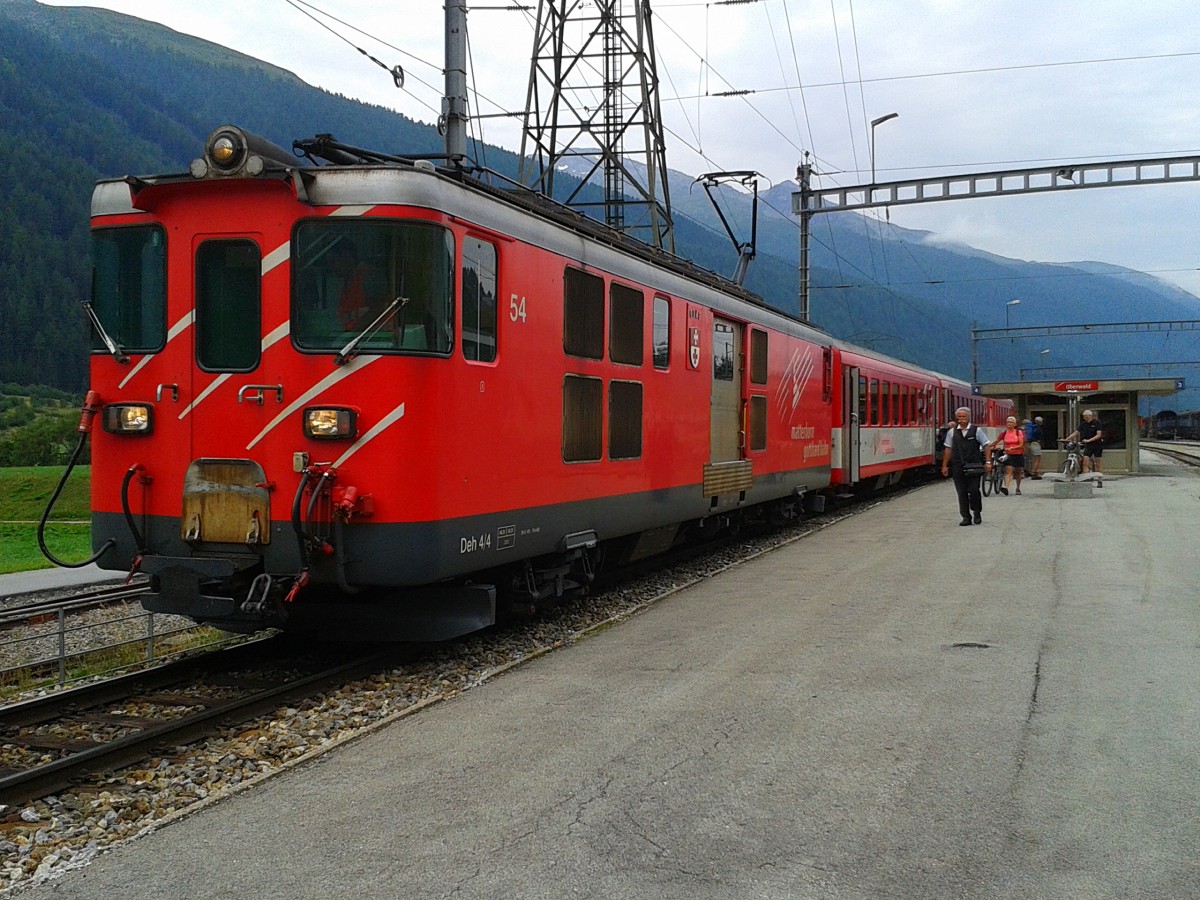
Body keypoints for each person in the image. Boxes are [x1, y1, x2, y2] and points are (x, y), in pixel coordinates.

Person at [940, 406, 992, 526]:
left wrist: (988, 462)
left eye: (964, 416)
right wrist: (944, 465)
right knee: (961, 491)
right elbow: (948, 448)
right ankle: (965, 516)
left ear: (968, 417)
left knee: (974, 490)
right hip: (958, 465)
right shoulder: (952, 432)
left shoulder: (976, 431)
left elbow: (986, 445)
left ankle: (977, 511)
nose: (961, 419)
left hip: (974, 464)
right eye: (959, 417)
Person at [989, 415, 1026, 495]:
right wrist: (989, 446)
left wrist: (1013, 448)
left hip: (1018, 454)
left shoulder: (1018, 432)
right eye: (1008, 422)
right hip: (1008, 454)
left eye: (1011, 422)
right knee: (1008, 470)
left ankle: (1018, 488)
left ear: (1015, 424)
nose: (1009, 424)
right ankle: (1006, 487)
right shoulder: (1004, 433)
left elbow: (1021, 444)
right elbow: (997, 440)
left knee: (1018, 472)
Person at [1065, 409, 1104, 474]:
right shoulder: (1083, 424)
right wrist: (1066, 439)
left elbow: (1098, 435)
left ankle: (1099, 479)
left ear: (1091, 416)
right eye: (1085, 417)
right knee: (1085, 462)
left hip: (1097, 445)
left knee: (1098, 463)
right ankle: (1086, 477)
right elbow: (1076, 433)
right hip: (1088, 446)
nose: (1086, 418)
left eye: (1088, 417)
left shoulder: (1097, 423)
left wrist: (1089, 440)